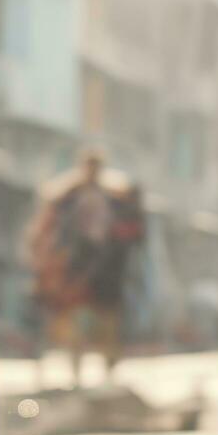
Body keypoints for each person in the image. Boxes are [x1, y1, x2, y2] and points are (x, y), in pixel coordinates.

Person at [27, 151, 142, 384]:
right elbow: (45, 231)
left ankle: (109, 377)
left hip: (106, 272)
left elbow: (132, 232)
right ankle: (72, 375)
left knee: (108, 323)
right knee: (70, 323)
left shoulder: (116, 198)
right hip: (73, 269)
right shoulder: (66, 196)